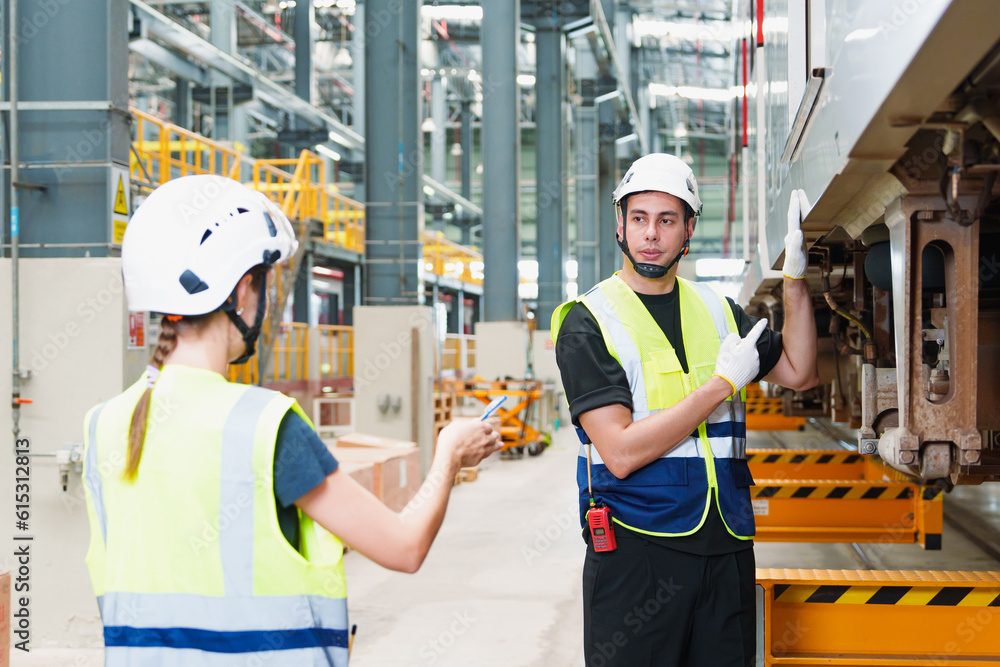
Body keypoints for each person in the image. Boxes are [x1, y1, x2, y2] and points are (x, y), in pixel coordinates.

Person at [81, 175, 502, 666]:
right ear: (241, 292)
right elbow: (403, 548)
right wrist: (449, 454)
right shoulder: (264, 426)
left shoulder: (103, 425)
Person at [551, 154, 818, 666]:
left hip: (726, 543)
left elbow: (800, 370)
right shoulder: (588, 321)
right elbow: (622, 452)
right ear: (621, 226)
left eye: (667, 220)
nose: (651, 234)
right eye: (639, 218)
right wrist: (722, 384)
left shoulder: (717, 310)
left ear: (689, 228)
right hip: (637, 549)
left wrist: (794, 281)